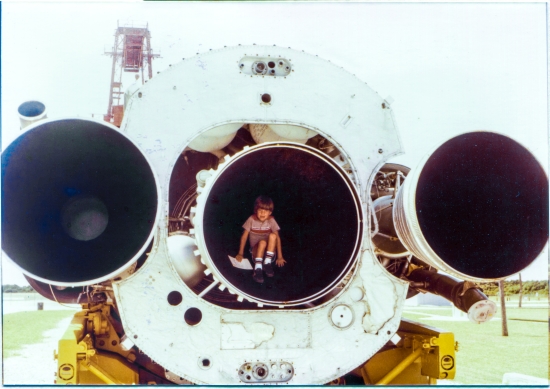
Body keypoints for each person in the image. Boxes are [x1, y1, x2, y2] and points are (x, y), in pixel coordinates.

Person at [236, 196, 286, 283]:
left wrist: (280, 257)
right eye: (260, 210)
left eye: (266, 211)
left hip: (269, 253)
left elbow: (277, 238)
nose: (262, 213)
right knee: (262, 242)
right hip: (256, 251)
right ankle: (257, 268)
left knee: (273, 236)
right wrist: (240, 253)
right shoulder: (251, 219)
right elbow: (244, 237)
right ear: (256, 210)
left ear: (270, 212)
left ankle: (267, 263)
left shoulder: (271, 220)